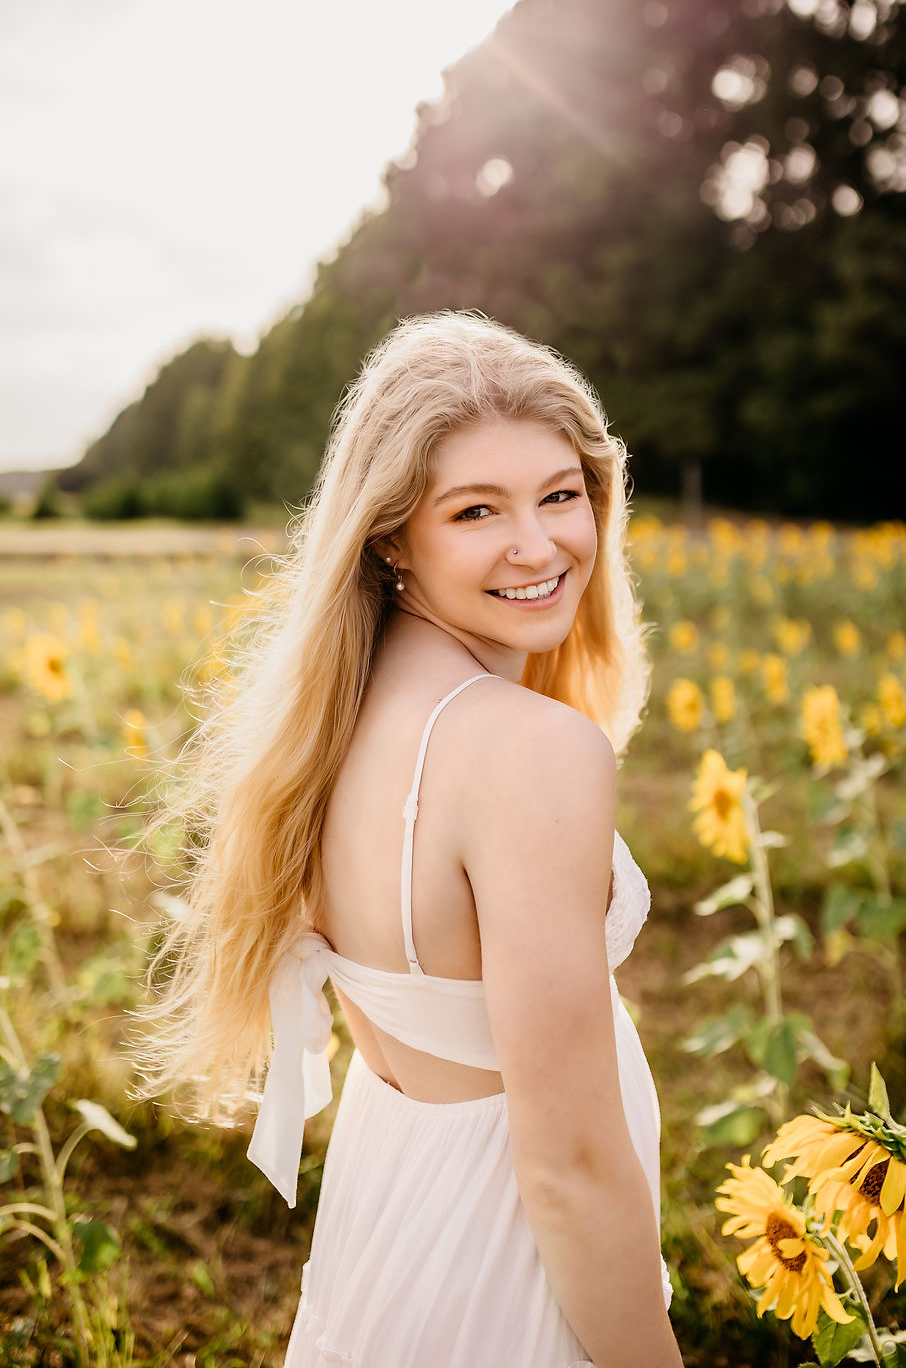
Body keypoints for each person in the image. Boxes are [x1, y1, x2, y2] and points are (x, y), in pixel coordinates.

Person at [139, 311, 682, 1368]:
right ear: (391, 533)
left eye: (560, 495)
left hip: (391, 1239)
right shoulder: (527, 751)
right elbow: (567, 1164)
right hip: (509, 1269)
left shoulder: (331, 719)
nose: (539, 546)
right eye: (476, 510)